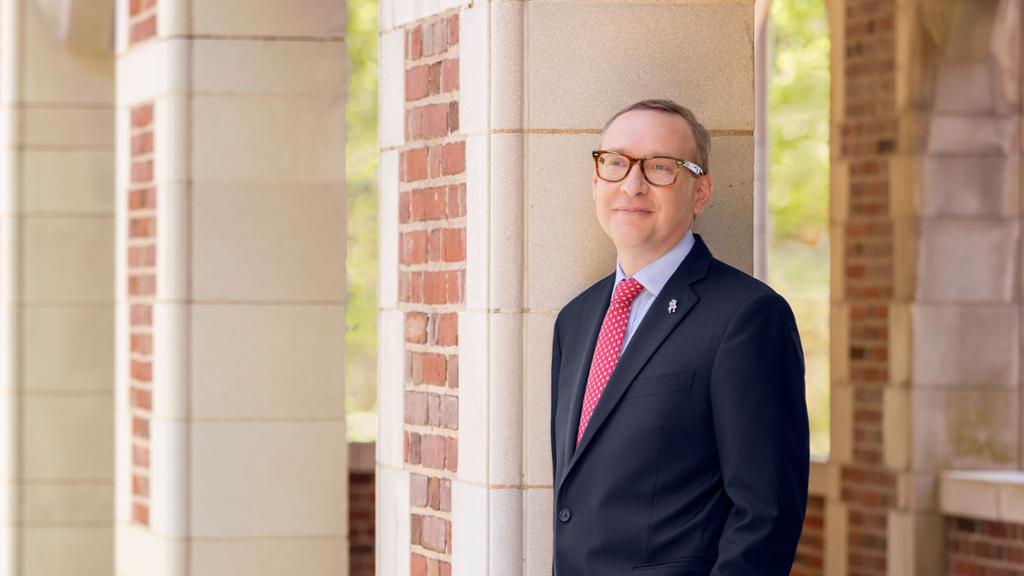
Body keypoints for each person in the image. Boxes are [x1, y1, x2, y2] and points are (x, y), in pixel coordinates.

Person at [549, 99, 809, 576]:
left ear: (701, 191)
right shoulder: (576, 319)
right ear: (595, 181)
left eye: (661, 168)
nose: (632, 184)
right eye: (615, 163)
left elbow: (767, 515)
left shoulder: (748, 317)